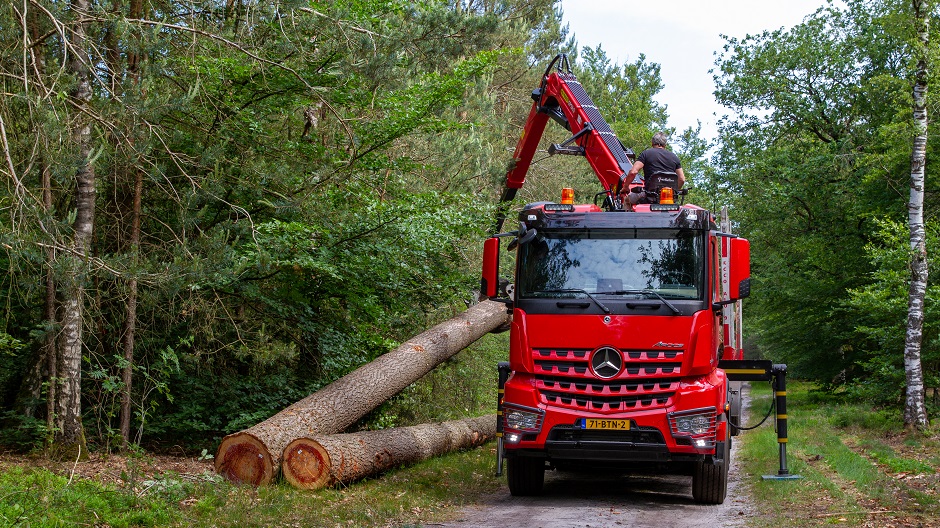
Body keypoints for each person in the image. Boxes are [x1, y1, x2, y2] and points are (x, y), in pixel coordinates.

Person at [623, 132, 685, 204]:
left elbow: (633, 172)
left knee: (627, 200)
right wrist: (674, 192)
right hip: (667, 198)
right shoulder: (674, 157)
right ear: (665, 145)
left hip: (649, 195)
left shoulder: (646, 154)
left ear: (652, 143)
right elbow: (682, 179)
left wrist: (626, 187)